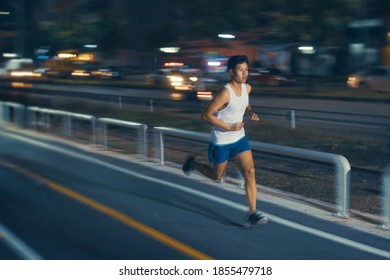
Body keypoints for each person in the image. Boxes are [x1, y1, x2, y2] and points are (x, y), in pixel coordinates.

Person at [182, 55, 268, 227]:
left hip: (239, 138)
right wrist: (228, 127)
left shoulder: (247, 88)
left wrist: (250, 112)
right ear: (231, 72)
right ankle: (192, 164)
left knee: (250, 172)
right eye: (240, 70)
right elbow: (206, 115)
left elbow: (245, 103)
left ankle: (252, 213)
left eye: (246, 69)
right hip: (221, 141)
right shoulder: (224, 93)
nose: (245, 73)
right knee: (217, 176)